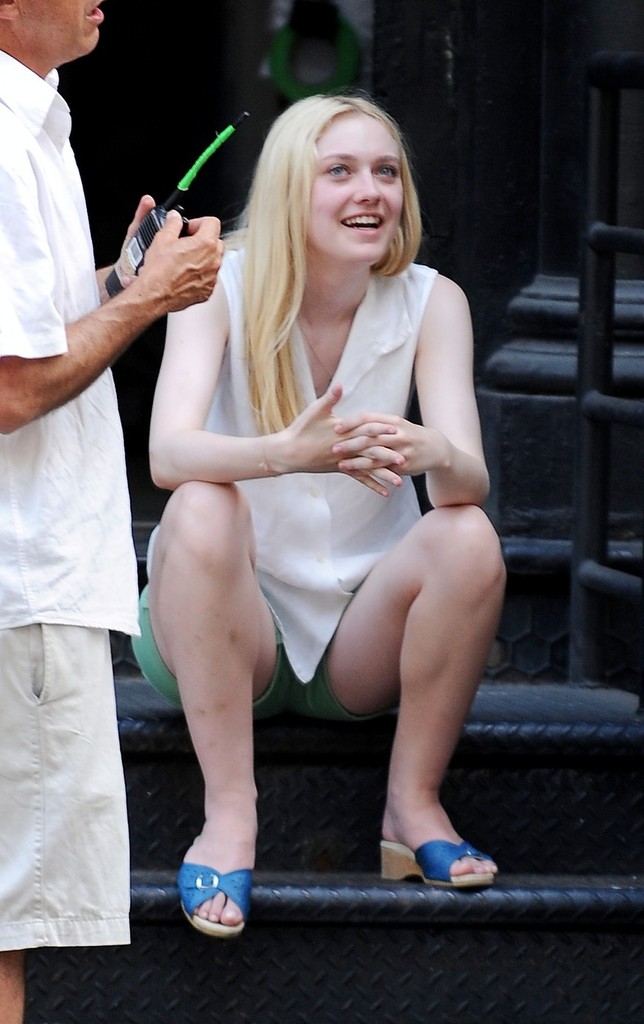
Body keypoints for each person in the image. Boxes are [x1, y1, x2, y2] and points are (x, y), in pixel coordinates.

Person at [132, 92, 507, 940]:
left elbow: (467, 486)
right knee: (201, 506)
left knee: (468, 537)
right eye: (339, 171)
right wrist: (283, 453)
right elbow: (168, 456)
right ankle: (230, 816)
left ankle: (412, 806)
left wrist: (435, 452)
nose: (369, 191)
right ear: (290, 190)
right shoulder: (217, 284)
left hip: (357, 646)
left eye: (386, 172)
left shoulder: (433, 301)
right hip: (224, 629)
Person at [0, 1, 224, 1020]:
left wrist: (124, 280)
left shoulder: (36, 124)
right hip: (22, 586)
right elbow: (11, 388)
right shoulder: (9, 139)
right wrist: (146, 300)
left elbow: (33, 331)